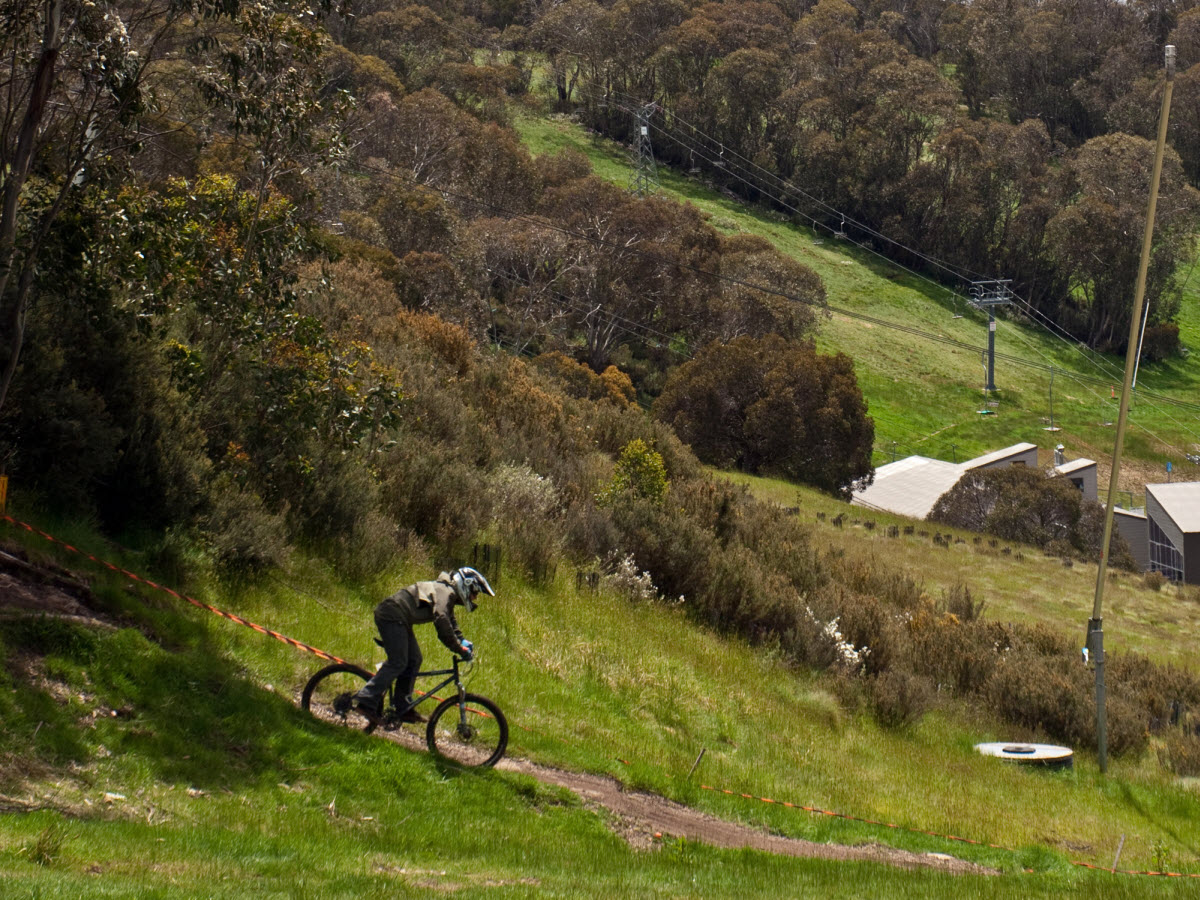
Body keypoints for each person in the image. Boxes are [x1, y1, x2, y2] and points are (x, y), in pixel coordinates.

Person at [353, 566, 494, 722]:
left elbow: (450, 619)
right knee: (398, 662)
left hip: (400, 618)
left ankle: (402, 706)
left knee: (414, 659)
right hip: (392, 615)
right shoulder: (445, 592)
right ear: (465, 585)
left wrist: (461, 639)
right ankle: (366, 700)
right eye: (474, 593)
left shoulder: (447, 593)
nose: (474, 597)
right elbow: (442, 621)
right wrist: (458, 648)